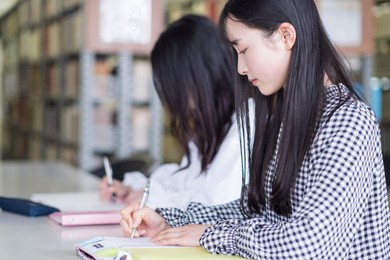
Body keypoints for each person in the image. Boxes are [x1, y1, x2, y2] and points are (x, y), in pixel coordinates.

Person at [119, 0, 390, 259]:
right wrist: (170, 221)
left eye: (244, 50)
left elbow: (308, 245)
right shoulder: (284, 117)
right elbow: (254, 210)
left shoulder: (348, 120)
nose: (240, 68)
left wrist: (211, 235)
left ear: (286, 36)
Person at [100, 14, 246, 210]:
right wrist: (137, 189)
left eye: (173, 86)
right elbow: (186, 181)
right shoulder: (212, 128)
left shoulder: (245, 128)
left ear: (197, 77)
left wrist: (151, 198)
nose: (172, 101)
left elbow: (215, 206)